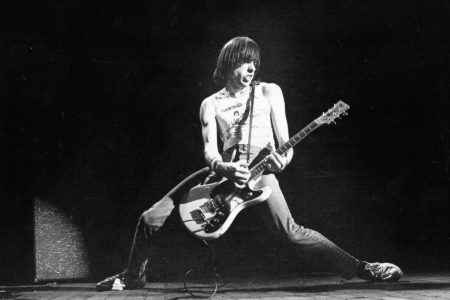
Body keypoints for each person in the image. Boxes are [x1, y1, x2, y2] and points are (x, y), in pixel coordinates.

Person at [96, 36, 403, 292]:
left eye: (254, 63)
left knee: (291, 231)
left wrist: (282, 161)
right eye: (245, 62)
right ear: (229, 63)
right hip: (223, 173)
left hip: (261, 174)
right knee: (151, 217)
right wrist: (223, 168)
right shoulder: (211, 103)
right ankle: (132, 276)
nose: (250, 68)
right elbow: (209, 151)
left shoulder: (269, 91)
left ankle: (363, 268)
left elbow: (285, 143)